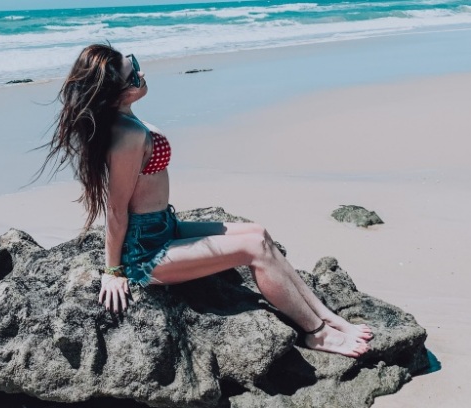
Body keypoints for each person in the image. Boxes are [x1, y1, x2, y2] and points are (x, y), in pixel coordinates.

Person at [40, 44, 372, 358]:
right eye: (134, 74)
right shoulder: (127, 136)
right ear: (119, 93)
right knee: (254, 249)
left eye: (135, 63)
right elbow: (116, 209)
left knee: (258, 233)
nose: (142, 73)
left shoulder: (128, 119)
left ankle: (328, 317)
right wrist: (113, 271)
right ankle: (316, 333)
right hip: (146, 254)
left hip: (164, 227)